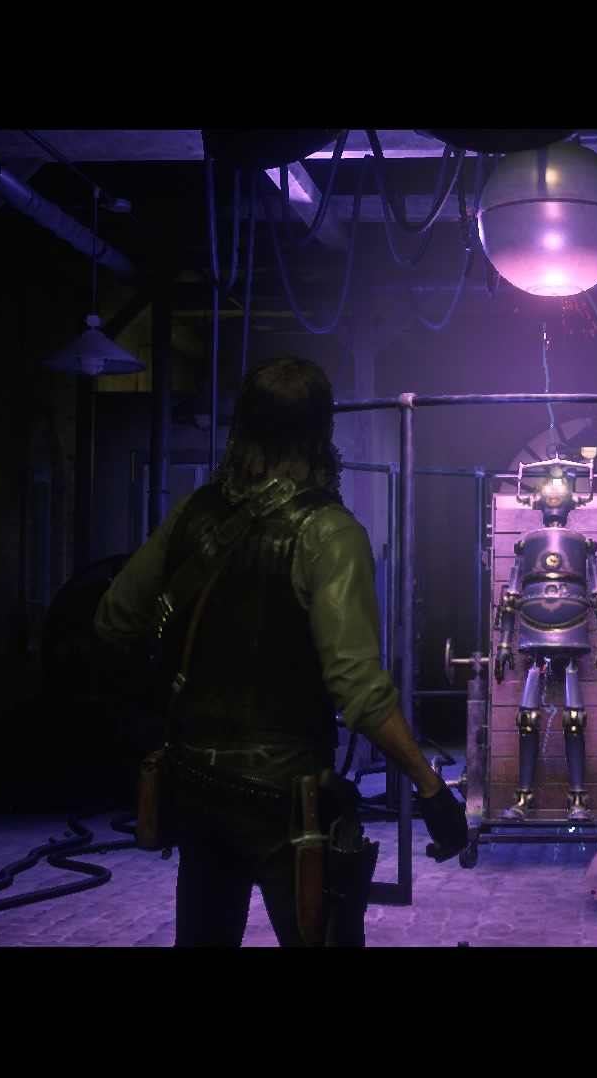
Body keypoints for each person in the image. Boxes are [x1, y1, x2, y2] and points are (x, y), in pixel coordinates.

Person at [93, 353, 468, 947]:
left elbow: (113, 619)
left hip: (195, 783)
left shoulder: (194, 513)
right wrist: (431, 788)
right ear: (322, 432)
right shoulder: (330, 532)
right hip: (287, 802)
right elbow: (359, 689)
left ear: (242, 425)